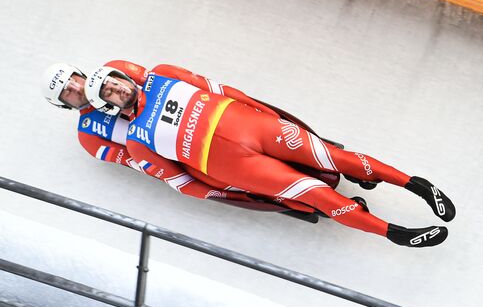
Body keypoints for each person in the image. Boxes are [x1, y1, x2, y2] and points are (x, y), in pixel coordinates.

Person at [85, 61, 456, 247]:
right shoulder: (135, 140)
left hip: (254, 128)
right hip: (240, 167)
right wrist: (222, 193)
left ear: (124, 76)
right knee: (318, 196)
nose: (116, 90)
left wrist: (264, 112)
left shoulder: (162, 74)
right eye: (109, 94)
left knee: (335, 158)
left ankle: (418, 185)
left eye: (114, 82)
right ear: (108, 107)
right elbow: (180, 182)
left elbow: (221, 88)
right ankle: (396, 234)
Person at [41, 63, 273, 206]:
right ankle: (251, 192)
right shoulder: (88, 136)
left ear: (79, 73)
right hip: (178, 152)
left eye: (72, 80)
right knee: (214, 177)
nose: (74, 87)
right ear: (63, 104)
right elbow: (137, 161)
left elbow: (156, 82)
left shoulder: (112, 71)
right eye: (66, 91)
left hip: (195, 118)